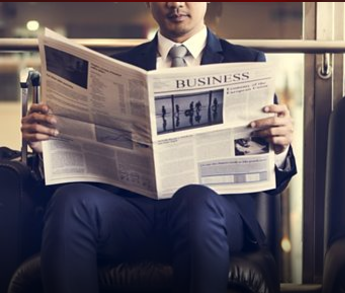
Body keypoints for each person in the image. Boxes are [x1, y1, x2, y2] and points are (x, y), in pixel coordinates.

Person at [19, 3, 296, 293]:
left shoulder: (247, 61)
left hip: (209, 212)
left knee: (195, 199)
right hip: (131, 214)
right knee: (70, 201)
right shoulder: (117, 66)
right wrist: (45, 147)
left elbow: (275, 180)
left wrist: (280, 148)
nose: (176, 4)